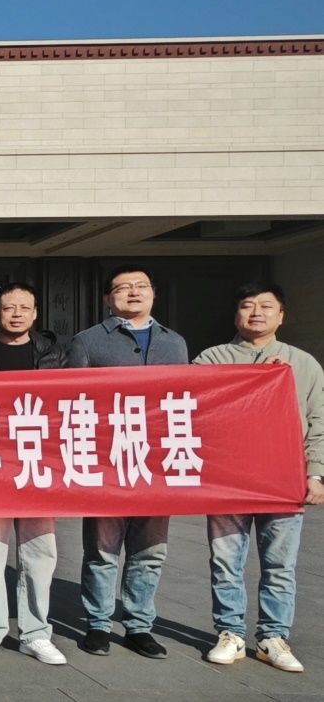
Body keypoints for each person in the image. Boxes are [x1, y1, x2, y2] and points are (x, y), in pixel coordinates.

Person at [194, 282, 323, 673]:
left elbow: (318, 422)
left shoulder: (303, 363)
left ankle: (273, 637)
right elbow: (195, 409)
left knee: (280, 564)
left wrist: (316, 473)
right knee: (226, 561)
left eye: (266, 306)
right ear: (236, 314)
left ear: (281, 316)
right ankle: (230, 633)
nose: (256, 313)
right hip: (228, 479)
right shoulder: (212, 358)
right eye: (248, 305)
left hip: (283, 479)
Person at [67, 264, 188, 659]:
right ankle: (98, 624)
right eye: (123, 287)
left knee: (150, 550)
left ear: (153, 292)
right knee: (102, 550)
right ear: (108, 298)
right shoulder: (87, 342)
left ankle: (139, 625)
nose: (134, 292)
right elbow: (72, 400)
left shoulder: (175, 343)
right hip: (108, 460)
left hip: (159, 462)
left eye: (141, 286)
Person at [0, 282, 67, 665]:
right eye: (9, 308)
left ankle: (36, 633)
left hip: (38, 465)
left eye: (24, 307)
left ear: (35, 313)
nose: (17, 314)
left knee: (40, 554)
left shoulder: (55, 355)